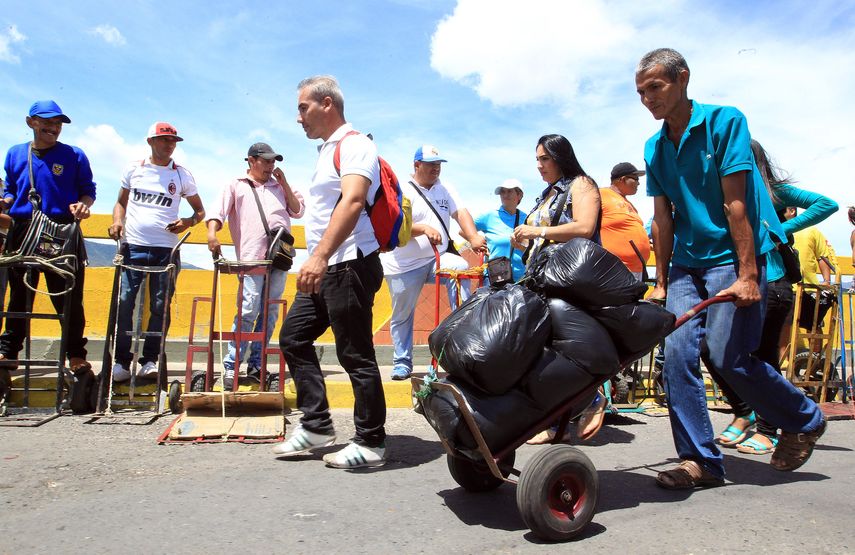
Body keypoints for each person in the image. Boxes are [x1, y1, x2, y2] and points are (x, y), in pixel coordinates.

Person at [637, 47, 827, 489]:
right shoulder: (654, 146)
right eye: (641, 92)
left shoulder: (725, 122)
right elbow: (663, 217)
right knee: (678, 356)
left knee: (729, 355)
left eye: (656, 87)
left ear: (683, 79)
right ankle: (700, 461)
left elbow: (735, 202)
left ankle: (805, 418)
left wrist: (748, 274)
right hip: (687, 262)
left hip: (730, 256)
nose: (648, 98)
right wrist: (662, 282)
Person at [274, 75, 387, 468]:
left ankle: (372, 442)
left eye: (303, 107)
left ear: (327, 104)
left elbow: (354, 200)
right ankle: (318, 424)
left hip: (350, 263)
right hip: (327, 266)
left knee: (355, 354)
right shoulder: (327, 150)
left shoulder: (355, 144)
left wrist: (319, 256)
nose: (298, 117)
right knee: (293, 337)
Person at [704, 141, 837, 456]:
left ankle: (769, 429)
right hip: (735, 283)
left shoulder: (773, 191)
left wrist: (779, 228)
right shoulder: (721, 190)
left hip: (773, 284)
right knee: (710, 349)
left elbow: (826, 204)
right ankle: (744, 410)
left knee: (762, 358)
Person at [512, 134, 606, 444]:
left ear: (561, 156)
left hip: (571, 281)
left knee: (561, 351)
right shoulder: (548, 194)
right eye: (537, 159)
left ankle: (590, 400)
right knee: (543, 352)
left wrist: (536, 229)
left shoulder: (582, 184)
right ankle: (557, 422)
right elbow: (545, 236)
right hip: (543, 278)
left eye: (545, 159)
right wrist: (525, 239)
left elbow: (584, 227)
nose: (539, 165)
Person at [0, 100, 95, 379]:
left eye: (58, 123)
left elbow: (88, 190)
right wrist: (4, 202)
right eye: (47, 122)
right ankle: (9, 351)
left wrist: (83, 205)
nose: (53, 128)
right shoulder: (15, 153)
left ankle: (75, 353)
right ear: (31, 122)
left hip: (60, 229)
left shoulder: (74, 155)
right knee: (19, 294)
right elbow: (12, 191)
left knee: (68, 295)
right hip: (23, 229)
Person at [108, 122, 206, 382]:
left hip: (167, 250)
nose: (170, 144)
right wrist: (118, 221)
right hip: (134, 247)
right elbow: (120, 202)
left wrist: (187, 222)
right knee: (125, 302)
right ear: (151, 141)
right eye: (164, 139)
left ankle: (150, 359)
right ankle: (121, 362)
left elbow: (200, 212)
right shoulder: (134, 169)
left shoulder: (182, 175)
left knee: (160, 306)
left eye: (173, 140)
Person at [381, 145, 487, 381]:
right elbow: (393, 227)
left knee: (459, 267)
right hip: (403, 265)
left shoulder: (445, 188)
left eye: (438, 164)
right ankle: (402, 362)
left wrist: (472, 237)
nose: (436, 169)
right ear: (416, 165)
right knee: (402, 313)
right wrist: (423, 229)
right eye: (430, 164)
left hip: (436, 257)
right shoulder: (401, 189)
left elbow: (461, 213)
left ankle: (463, 338)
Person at [207, 143, 304, 389]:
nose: (271, 166)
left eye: (273, 161)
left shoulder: (278, 186)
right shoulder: (236, 184)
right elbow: (217, 212)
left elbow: (297, 210)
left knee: (270, 311)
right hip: (251, 259)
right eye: (266, 161)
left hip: (279, 258)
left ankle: (256, 362)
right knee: (249, 309)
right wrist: (212, 234)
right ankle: (232, 364)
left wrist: (284, 184)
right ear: (251, 160)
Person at [600, 162, 650, 279]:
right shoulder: (600, 194)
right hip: (613, 269)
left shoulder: (629, 203)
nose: (638, 183)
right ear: (622, 179)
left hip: (637, 271)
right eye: (635, 179)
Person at [474, 178, 527, 282]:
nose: (505, 195)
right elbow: (464, 230)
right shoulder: (489, 216)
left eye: (509, 191)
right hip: (495, 278)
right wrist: (475, 239)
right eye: (502, 192)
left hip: (521, 278)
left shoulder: (527, 218)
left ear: (519, 195)